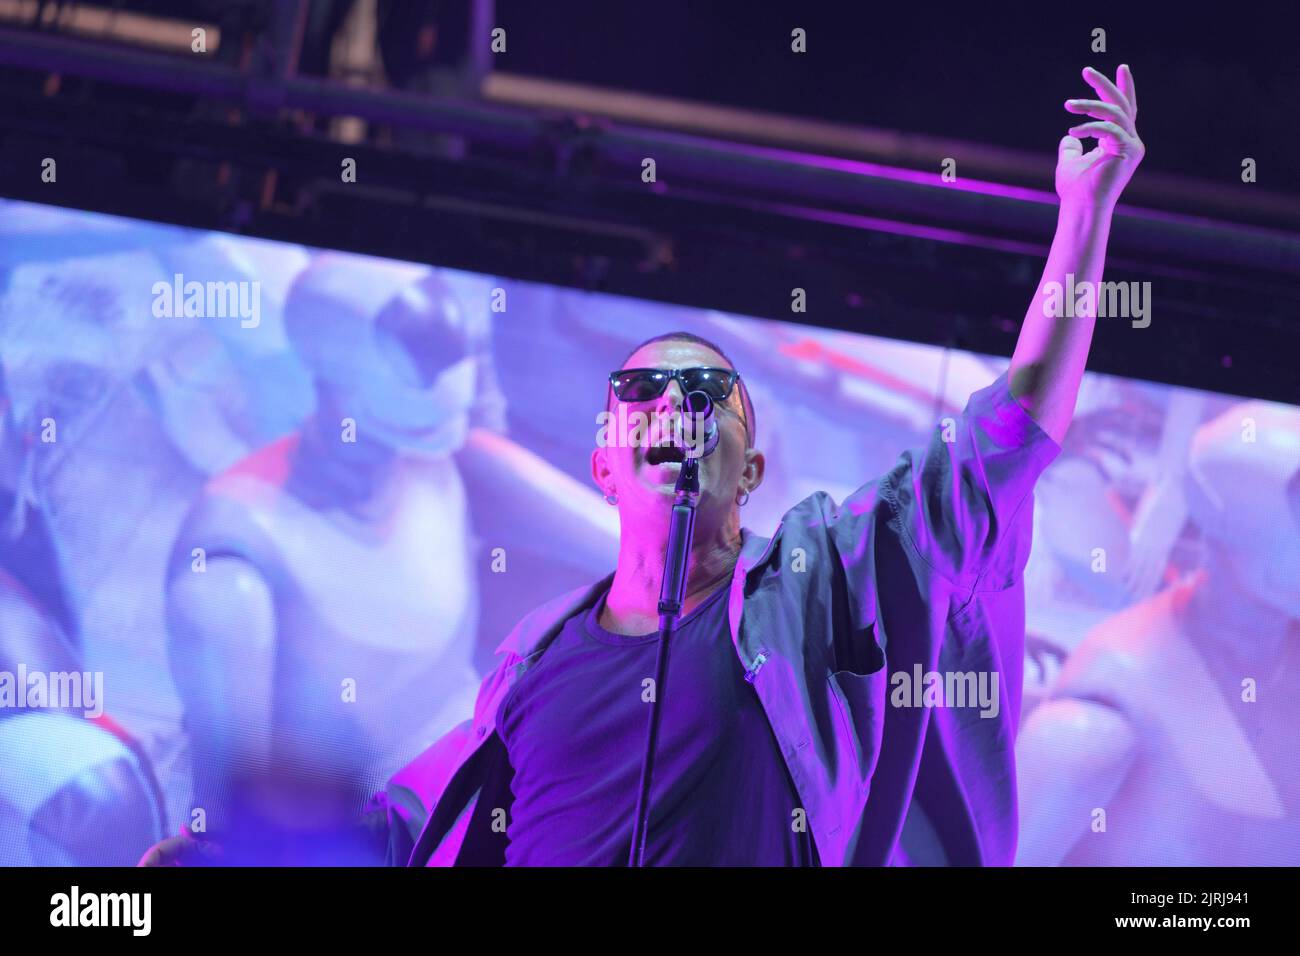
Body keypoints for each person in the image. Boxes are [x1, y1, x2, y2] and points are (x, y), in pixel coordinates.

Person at [141, 63, 1144, 867]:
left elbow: (1007, 436)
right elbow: (399, 827)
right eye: (642, 394)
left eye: (709, 399)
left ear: (746, 475)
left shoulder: (822, 582)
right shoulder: (534, 661)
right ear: (602, 460)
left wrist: (1082, 215)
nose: (675, 407)